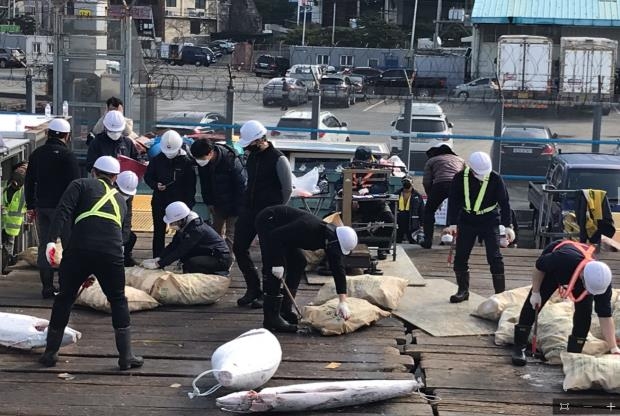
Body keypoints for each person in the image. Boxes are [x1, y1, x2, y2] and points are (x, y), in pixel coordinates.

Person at [38, 156, 143, 370]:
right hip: (111, 253)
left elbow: (63, 212)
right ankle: (126, 357)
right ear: (115, 178)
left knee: (65, 298)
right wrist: (99, 268)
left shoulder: (80, 184)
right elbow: (123, 235)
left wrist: (51, 240)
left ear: (93, 171)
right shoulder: (122, 201)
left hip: (78, 249)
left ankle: (50, 353)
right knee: (118, 300)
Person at [511, 240, 620, 366]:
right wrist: (535, 292)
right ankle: (519, 346)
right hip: (553, 271)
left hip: (581, 277)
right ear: (582, 276)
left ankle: (574, 353)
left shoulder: (602, 282)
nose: (591, 293)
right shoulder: (561, 259)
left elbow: (605, 315)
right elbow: (538, 267)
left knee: (584, 314)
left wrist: (613, 347)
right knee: (534, 303)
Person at [255, 205, 357, 332]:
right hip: (270, 222)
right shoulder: (308, 227)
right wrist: (277, 263)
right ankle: (272, 318)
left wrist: (342, 302)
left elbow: (338, 268)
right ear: (335, 242)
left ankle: (285, 309)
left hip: (284, 235)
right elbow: (275, 236)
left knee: (299, 262)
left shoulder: (331, 241)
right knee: (274, 271)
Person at [234, 120, 292, 309]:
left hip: (270, 212)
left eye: (250, 143)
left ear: (259, 140)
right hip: (249, 209)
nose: (248, 147)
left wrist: (278, 211)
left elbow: (287, 189)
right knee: (239, 247)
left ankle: (268, 293)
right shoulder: (252, 156)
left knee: (270, 255)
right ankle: (253, 288)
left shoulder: (278, 158)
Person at [444, 151, 514, 303]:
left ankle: (500, 295)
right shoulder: (460, 178)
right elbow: (454, 200)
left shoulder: (496, 178)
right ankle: (463, 290)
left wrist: (507, 226)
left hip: (489, 220)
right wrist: (452, 223)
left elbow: (505, 202)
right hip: (467, 220)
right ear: (471, 169)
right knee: (461, 256)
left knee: (494, 257)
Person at [24, 118, 80, 298]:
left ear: (48, 134)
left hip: (43, 207)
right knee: (69, 246)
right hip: (63, 209)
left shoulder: (37, 154)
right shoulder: (68, 156)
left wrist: (31, 205)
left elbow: (29, 180)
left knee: (45, 246)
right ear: (67, 136)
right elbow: (75, 185)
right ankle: (66, 286)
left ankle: (47, 287)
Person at [141, 201, 232, 275]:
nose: (171, 225)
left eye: (173, 223)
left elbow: (181, 250)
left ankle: (213, 276)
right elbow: (174, 245)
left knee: (191, 263)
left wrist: (158, 264)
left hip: (219, 258)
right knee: (186, 259)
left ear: (181, 219)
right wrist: (159, 258)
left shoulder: (196, 229)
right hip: (206, 252)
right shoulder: (184, 226)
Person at [144, 130, 196, 257]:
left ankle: (181, 257)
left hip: (180, 202)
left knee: (181, 233)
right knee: (159, 232)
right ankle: (157, 258)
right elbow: (148, 177)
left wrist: (188, 206)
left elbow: (191, 186)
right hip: (160, 201)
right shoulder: (157, 160)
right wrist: (155, 185)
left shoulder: (186, 162)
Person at [190, 139, 246, 251]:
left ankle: (227, 261)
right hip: (217, 203)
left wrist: (238, 209)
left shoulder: (231, 160)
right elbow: (204, 184)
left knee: (231, 235)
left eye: (201, 158)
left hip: (235, 204)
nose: (199, 161)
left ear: (210, 153)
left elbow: (241, 187)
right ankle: (217, 256)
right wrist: (209, 202)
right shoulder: (204, 163)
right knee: (215, 233)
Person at [346, 146, 394, 260]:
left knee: (390, 219)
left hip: (375, 203)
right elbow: (340, 184)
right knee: (341, 219)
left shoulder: (378, 168)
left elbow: (384, 186)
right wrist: (348, 193)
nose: (361, 164)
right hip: (354, 205)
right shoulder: (349, 168)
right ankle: (351, 247)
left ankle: (383, 249)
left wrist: (370, 189)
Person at [421, 142, 464, 249]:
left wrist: (431, 196)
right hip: (457, 185)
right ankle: (460, 241)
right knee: (460, 212)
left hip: (440, 184)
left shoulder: (431, 160)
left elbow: (426, 181)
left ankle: (428, 240)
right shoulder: (460, 160)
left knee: (429, 211)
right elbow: (465, 176)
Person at [2, 161, 28, 274]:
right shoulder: (5, 185)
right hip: (3, 222)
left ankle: (4, 268)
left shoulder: (26, 191)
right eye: (20, 169)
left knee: (7, 248)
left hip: (11, 225)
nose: (21, 171)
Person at [116, 170, 139, 266]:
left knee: (131, 237)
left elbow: (127, 216)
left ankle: (126, 258)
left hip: (119, 222)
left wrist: (123, 239)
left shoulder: (129, 196)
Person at [395, 176, 425, 244]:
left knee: (413, 242)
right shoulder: (396, 194)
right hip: (399, 219)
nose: (406, 183)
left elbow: (422, 211)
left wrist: (422, 224)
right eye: (404, 182)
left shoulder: (417, 196)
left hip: (412, 222)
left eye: (408, 182)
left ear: (412, 183)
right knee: (397, 241)